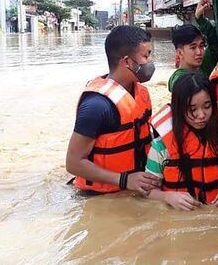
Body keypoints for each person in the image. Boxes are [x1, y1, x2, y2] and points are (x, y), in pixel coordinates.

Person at [65, 26, 160, 195]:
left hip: (137, 187)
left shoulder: (141, 93)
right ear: (126, 61)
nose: (150, 61)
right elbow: (73, 163)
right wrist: (125, 180)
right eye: (146, 56)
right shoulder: (97, 106)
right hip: (98, 196)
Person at [145, 71, 218, 211]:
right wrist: (168, 197)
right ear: (179, 109)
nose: (201, 115)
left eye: (207, 106)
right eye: (192, 109)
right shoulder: (160, 146)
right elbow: (147, 191)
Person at [167, 0, 218, 92]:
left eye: (201, 46)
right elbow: (182, 85)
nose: (199, 52)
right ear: (180, 53)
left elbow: (216, 43)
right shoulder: (177, 79)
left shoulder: (202, 67)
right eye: (193, 47)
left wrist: (200, 18)